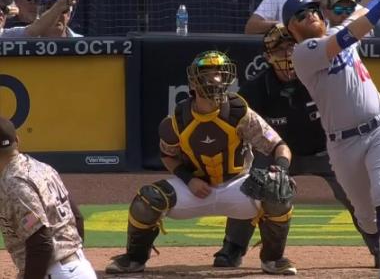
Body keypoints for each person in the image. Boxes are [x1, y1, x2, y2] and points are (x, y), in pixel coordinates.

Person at [105, 51, 298, 276]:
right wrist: (189, 179)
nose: (215, 79)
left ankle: (273, 260)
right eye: (208, 74)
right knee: (147, 200)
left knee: (277, 190)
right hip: (194, 190)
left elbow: (279, 145)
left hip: (238, 187)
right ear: (194, 82)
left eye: (219, 73)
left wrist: (282, 169)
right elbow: (168, 155)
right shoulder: (177, 120)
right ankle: (134, 259)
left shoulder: (240, 112)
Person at [212, 24, 380, 269]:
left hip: (326, 150)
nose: (288, 54)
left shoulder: (323, 76)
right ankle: (232, 248)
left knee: (353, 191)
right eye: (280, 50)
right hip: (275, 152)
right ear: (267, 57)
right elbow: (243, 129)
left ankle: (377, 243)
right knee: (250, 187)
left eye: (292, 47)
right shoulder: (256, 89)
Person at [282, 0, 380, 278]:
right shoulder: (303, 53)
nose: (311, 15)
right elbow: (348, 35)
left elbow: (358, 16)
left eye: (314, 10)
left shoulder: (337, 32)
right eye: (301, 14)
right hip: (343, 145)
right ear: (291, 26)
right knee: (367, 219)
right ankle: (375, 235)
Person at [0, 116, 96, 279]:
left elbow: (40, 242)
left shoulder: (13, 183)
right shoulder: (43, 169)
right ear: (17, 140)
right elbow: (77, 217)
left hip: (55, 273)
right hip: (80, 268)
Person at [0, 0, 74, 37]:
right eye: (48, 8)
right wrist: (58, 7)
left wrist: (59, 8)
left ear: (69, 14)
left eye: (3, 9)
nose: (1, 12)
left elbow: (33, 30)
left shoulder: (9, 35)